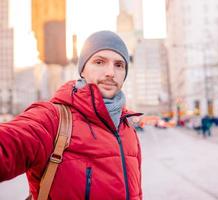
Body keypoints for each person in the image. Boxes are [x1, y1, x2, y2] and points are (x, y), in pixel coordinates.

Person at [0, 31, 143, 200]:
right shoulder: (53, 118)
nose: (111, 72)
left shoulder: (127, 127)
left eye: (119, 65)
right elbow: (11, 142)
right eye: (99, 62)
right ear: (82, 70)